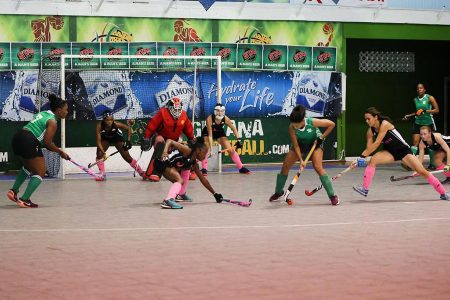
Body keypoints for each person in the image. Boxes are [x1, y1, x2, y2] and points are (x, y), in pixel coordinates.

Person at [353, 107, 449, 200]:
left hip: (403, 151)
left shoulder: (385, 124)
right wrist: (361, 159)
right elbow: (370, 148)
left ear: (376, 117)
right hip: (389, 151)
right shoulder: (370, 131)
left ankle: (443, 193)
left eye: (368, 119)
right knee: (373, 160)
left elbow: (377, 143)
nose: (367, 121)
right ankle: (365, 188)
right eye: (365, 119)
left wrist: (362, 156)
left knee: (423, 172)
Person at [7, 94, 70, 208]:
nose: (67, 112)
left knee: (28, 166)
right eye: (66, 110)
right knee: (40, 171)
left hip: (18, 137)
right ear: (59, 110)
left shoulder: (43, 113)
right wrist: (60, 152)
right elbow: (47, 143)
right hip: (29, 140)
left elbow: (42, 135)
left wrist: (52, 145)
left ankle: (14, 191)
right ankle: (25, 200)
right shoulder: (53, 122)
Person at [269, 105, 339, 205]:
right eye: (293, 124)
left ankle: (332, 196)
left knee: (318, 167)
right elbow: (296, 146)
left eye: (296, 124)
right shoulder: (292, 127)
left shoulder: (312, 122)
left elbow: (331, 124)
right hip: (301, 144)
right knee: (285, 166)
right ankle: (278, 192)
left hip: (315, 144)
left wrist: (321, 138)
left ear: (302, 120)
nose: (295, 126)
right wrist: (301, 160)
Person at [156, 137, 224, 209]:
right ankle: (168, 200)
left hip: (170, 165)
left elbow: (202, 179)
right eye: (204, 153)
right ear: (198, 150)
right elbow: (169, 140)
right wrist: (165, 152)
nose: (205, 157)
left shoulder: (194, 163)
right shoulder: (187, 150)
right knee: (179, 180)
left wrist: (214, 193)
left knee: (187, 168)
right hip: (162, 163)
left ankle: (181, 194)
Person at [141, 97, 194, 182]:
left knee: (183, 147)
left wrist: (191, 139)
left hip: (175, 139)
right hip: (161, 137)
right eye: (174, 109)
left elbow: (188, 128)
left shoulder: (184, 115)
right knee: (160, 144)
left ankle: (186, 172)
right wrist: (147, 137)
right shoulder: (162, 113)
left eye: (178, 109)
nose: (177, 112)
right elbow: (152, 125)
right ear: (169, 108)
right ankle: (154, 173)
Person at [200, 103, 250, 176]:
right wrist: (211, 150)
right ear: (214, 111)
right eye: (217, 111)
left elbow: (234, 129)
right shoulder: (209, 119)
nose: (219, 113)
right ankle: (204, 169)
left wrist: (238, 140)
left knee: (231, 150)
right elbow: (210, 136)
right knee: (206, 149)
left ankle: (241, 167)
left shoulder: (226, 119)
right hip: (208, 133)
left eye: (221, 111)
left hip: (219, 132)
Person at [94, 111, 144, 181]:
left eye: (111, 120)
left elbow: (129, 129)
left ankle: (141, 172)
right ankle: (102, 174)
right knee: (99, 154)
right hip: (106, 138)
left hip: (117, 138)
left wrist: (128, 141)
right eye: (107, 120)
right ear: (103, 120)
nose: (109, 122)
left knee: (127, 157)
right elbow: (98, 141)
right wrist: (104, 153)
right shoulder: (99, 126)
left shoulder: (116, 124)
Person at [402, 83, 439, 169]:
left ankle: (432, 164)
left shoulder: (430, 98)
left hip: (428, 123)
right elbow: (417, 112)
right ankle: (409, 164)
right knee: (415, 143)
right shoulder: (415, 100)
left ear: (424, 89)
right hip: (418, 122)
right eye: (418, 88)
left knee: (430, 143)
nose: (419, 90)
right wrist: (408, 116)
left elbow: (437, 110)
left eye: (421, 88)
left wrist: (426, 111)